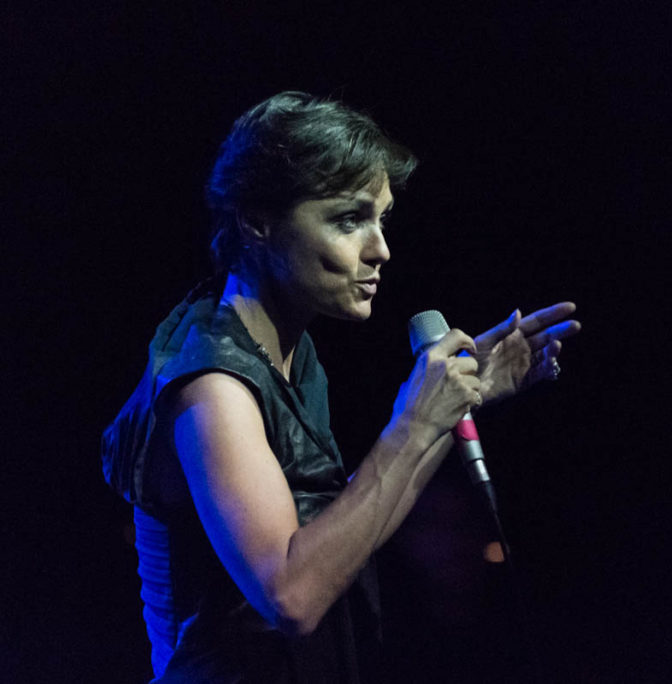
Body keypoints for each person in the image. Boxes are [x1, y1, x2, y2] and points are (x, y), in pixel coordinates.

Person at [102, 91, 581, 683]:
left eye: (381, 219)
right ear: (257, 221)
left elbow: (342, 533)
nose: (380, 249)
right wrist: (414, 423)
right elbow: (292, 595)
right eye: (349, 220)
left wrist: (448, 409)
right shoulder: (214, 387)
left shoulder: (290, 352)